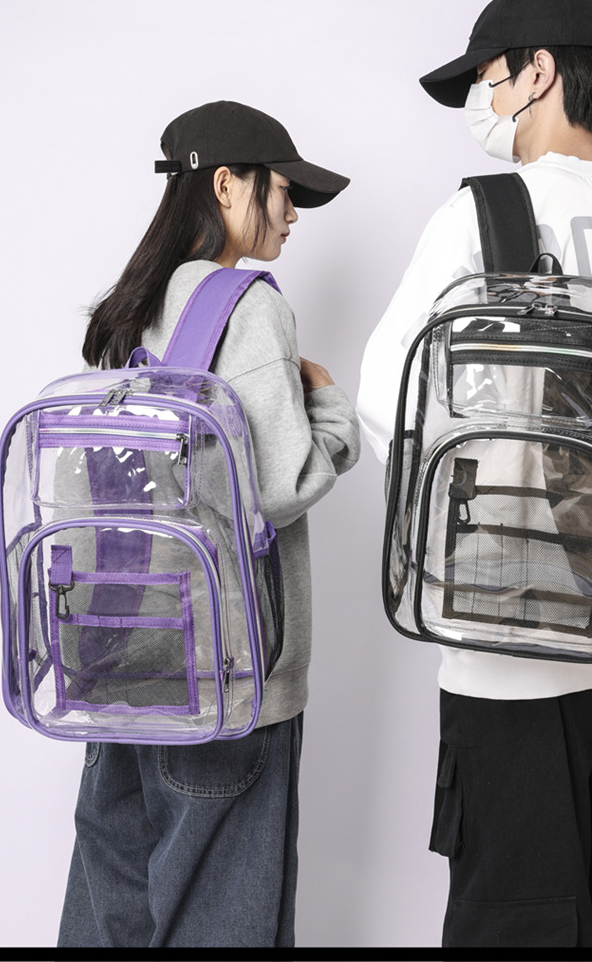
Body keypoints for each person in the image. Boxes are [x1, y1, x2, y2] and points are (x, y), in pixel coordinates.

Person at [357, 0, 592, 948]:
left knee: (511, 923)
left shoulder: (483, 215)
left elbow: (387, 398)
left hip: (507, 648)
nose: (482, 101)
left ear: (539, 72)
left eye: (488, 78)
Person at [57, 100, 361, 949]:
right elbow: (279, 483)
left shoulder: (129, 309)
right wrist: (329, 404)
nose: (293, 213)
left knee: (109, 921)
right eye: (283, 190)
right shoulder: (248, 306)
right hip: (227, 681)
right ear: (226, 184)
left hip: (119, 664)